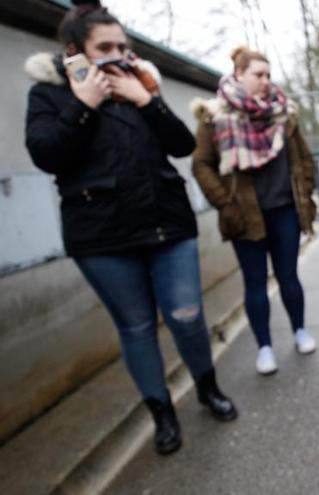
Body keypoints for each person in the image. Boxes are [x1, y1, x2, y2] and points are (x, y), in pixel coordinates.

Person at [24, 0, 237, 456]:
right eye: (106, 47)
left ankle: (207, 387)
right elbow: (46, 153)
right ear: (74, 51)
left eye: (124, 46)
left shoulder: (140, 88)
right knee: (137, 328)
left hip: (167, 224)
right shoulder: (49, 95)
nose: (119, 55)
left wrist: (148, 101)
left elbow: (181, 144)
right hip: (102, 238)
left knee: (186, 315)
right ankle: (161, 411)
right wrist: (84, 105)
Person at [191, 46, 318, 376]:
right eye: (257, 75)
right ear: (238, 75)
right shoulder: (214, 115)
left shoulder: (284, 113)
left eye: (268, 75)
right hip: (244, 216)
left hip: (284, 210)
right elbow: (201, 164)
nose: (265, 81)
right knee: (255, 283)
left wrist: (305, 190)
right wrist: (224, 202)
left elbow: (304, 158)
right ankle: (264, 347)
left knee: (289, 277)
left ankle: (300, 331)